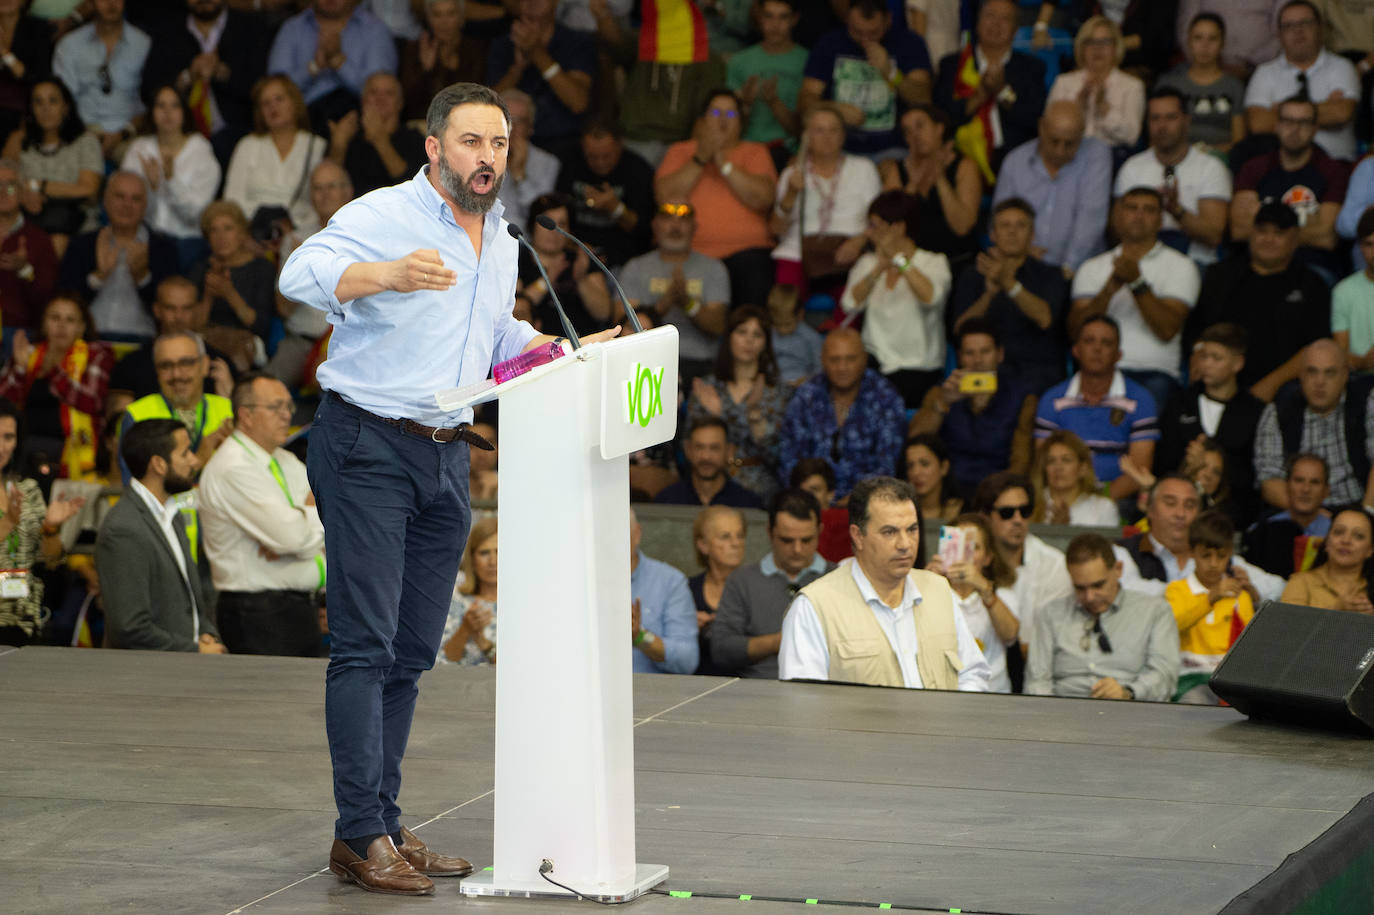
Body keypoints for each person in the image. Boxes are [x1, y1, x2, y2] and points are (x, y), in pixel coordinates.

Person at [277, 83, 619, 894]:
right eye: (471, 142)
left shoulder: (499, 239)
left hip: (446, 452)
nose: (487, 157)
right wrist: (385, 273)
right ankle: (360, 833)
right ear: (433, 147)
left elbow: (496, 336)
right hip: (366, 442)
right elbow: (301, 272)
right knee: (363, 646)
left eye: (498, 144)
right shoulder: (386, 212)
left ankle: (385, 820)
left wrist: (566, 348)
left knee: (410, 650)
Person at [778, 475, 991, 690]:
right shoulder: (814, 606)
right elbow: (803, 704)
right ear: (858, 536)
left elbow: (973, 673)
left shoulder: (939, 590)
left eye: (912, 529)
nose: (905, 544)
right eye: (890, 532)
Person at [198, 373, 325, 657]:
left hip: (300, 609)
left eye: (289, 407)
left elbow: (331, 516)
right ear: (246, 415)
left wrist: (302, 526)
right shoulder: (233, 467)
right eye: (275, 407)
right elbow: (292, 537)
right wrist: (305, 523)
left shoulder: (286, 460)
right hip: (258, 613)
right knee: (271, 701)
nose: (286, 415)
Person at [96, 417, 224, 652]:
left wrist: (206, 632)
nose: (195, 461)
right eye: (185, 453)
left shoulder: (171, 514)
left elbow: (191, 601)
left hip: (183, 669)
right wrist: (195, 649)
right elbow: (129, 628)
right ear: (159, 464)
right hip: (149, 679)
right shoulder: (124, 528)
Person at [1069, 186, 1199, 409]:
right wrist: (1110, 288)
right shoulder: (1092, 267)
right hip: (1096, 373)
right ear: (1118, 216)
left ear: (1160, 220)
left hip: (1153, 374)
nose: (1139, 215)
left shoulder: (1181, 266)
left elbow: (1167, 329)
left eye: (1149, 210)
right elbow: (1075, 332)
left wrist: (1137, 283)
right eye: (1131, 208)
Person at [1185, 202, 1331, 401]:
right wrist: (1198, 356)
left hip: (1283, 388)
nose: (1268, 240)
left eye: (1279, 233)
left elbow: (1314, 347)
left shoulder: (1312, 285)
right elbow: (1197, 330)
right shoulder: (1220, 275)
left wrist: (1268, 387)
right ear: (1251, 233)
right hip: (1220, 378)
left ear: (1295, 239)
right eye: (1262, 231)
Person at [656, 89, 779, 307]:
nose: (723, 120)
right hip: (689, 254)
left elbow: (763, 199)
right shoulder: (680, 151)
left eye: (731, 115)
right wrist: (701, 158)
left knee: (755, 273)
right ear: (702, 120)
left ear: (741, 123)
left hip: (747, 254)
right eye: (715, 113)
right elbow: (665, 198)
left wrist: (724, 163)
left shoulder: (755, 152)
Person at [1023, 533, 1180, 700]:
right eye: (1080, 588)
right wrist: (1049, 716)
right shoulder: (1051, 614)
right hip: (1063, 713)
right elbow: (1037, 681)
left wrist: (1128, 692)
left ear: (1118, 570)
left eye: (1098, 585)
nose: (1089, 597)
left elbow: (1165, 675)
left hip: (1130, 711)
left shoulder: (1154, 611)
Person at [839, 189, 951, 408]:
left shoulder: (934, 262)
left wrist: (899, 259)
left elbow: (931, 297)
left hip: (917, 367)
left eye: (874, 225)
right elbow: (850, 304)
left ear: (898, 227)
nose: (868, 233)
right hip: (874, 364)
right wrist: (879, 267)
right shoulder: (868, 263)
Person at [949, 197, 1068, 396]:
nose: (1012, 231)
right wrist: (988, 295)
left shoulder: (1051, 275)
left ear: (1032, 235)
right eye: (1005, 225)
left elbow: (1044, 318)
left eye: (1021, 225)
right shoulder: (973, 274)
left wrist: (1008, 282)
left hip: (1037, 374)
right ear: (993, 235)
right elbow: (961, 330)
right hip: (984, 373)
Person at [1034, 315, 1159, 501]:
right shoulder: (1052, 399)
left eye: (1106, 343)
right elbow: (1044, 462)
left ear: (1119, 354)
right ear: (1075, 350)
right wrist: (1074, 500)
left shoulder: (1140, 399)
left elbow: (1139, 469)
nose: (1097, 348)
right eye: (1089, 341)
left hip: (1118, 498)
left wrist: (1099, 503)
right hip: (1063, 495)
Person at [909, 320, 1035, 499]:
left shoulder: (1023, 399)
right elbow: (915, 441)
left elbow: (1021, 461)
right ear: (959, 357)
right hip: (947, 493)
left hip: (997, 492)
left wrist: (1000, 497)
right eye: (970, 353)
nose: (978, 361)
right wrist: (943, 403)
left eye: (985, 352)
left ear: (1000, 354)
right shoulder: (941, 392)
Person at [711, 488, 830, 678]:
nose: (797, 549)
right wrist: (778, 642)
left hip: (826, 692)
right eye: (787, 540)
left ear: (820, 531)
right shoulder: (742, 580)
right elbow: (722, 650)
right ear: (769, 532)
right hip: (758, 694)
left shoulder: (838, 579)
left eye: (806, 540)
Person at [777, 326, 906, 499]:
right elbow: (789, 459)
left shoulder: (886, 398)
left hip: (867, 503)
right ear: (822, 360)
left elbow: (887, 464)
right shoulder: (805, 396)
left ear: (864, 359)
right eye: (834, 360)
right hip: (809, 502)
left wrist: (857, 497)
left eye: (850, 359)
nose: (842, 367)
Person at [1232, 95, 1351, 281]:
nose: (1294, 129)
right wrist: (1305, 230)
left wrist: (1264, 233)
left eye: (1303, 123)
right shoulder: (1254, 168)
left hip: (1311, 267)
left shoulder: (1333, 171)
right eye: (1288, 121)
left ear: (1315, 129)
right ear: (1276, 125)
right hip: (1255, 265)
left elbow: (1326, 238)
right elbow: (1238, 230)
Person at [1113, 473, 1285, 602]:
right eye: (1170, 503)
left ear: (1199, 514)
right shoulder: (1123, 551)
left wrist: (1254, 594)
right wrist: (1212, 592)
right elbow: (1124, 589)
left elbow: (1278, 588)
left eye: (1190, 505)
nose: (1180, 514)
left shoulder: (1216, 555)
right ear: (1150, 509)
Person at [1157, 322, 1264, 522]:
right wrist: (1188, 466)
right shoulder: (1179, 404)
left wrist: (1213, 467)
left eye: (1216, 358)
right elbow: (1162, 462)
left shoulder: (1256, 412)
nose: (1206, 364)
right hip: (1178, 511)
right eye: (1204, 356)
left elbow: (1254, 476)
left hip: (1235, 517)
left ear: (1237, 364)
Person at [797, 0, 934, 158]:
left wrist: (891, 73)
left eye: (873, 32)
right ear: (848, 19)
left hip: (892, 149)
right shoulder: (829, 44)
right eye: (857, 31)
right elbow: (804, 103)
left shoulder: (909, 43)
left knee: (893, 171)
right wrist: (835, 109)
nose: (865, 39)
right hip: (839, 149)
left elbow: (923, 99)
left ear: (888, 20)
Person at [991, 100, 1111, 276]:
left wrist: (1068, 267)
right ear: (1041, 128)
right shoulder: (1015, 162)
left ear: (1082, 134)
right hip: (1023, 267)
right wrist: (1021, 253)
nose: (1060, 151)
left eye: (1070, 144)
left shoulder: (1096, 155)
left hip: (1079, 270)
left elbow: (1091, 218)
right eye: (1054, 141)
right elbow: (999, 219)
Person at [686, 305, 792, 503]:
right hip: (710, 483)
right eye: (742, 332)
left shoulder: (778, 392)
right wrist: (719, 415)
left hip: (760, 487)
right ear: (729, 337)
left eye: (757, 334)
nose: (749, 340)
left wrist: (754, 418)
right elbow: (690, 445)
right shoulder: (707, 388)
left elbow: (780, 458)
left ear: (766, 343)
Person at [1115, 87, 1232, 267]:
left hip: (1195, 262)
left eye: (1171, 117)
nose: (1162, 126)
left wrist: (1176, 210)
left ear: (1186, 121)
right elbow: (1117, 229)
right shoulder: (1132, 168)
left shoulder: (1211, 167)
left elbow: (1213, 236)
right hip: (1140, 260)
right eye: (1155, 118)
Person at [769, 103, 880, 292]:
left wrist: (859, 242)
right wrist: (791, 193)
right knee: (786, 306)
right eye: (819, 131)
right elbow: (776, 229)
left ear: (843, 136)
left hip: (851, 252)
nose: (827, 137)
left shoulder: (864, 168)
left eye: (834, 130)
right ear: (806, 137)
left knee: (846, 310)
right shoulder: (792, 174)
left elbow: (879, 219)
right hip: (798, 253)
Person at [139, 0, 266, 165]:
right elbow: (149, 91)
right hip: (182, 133)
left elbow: (261, 89)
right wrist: (187, 77)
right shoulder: (168, 31)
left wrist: (223, 74)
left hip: (238, 130)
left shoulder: (250, 27)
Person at [0, 291, 111, 479]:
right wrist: (19, 367)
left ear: (82, 327)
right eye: (55, 318)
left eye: (70, 320)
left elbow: (93, 401)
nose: (61, 326)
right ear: (44, 323)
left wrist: (55, 371)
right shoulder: (29, 352)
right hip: (23, 445)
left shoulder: (95, 354)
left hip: (73, 447)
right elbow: (3, 405)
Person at [1253, 338, 1374, 509]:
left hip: (1358, 508)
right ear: (1301, 375)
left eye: (1329, 373)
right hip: (1299, 513)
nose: (1320, 382)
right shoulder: (1279, 410)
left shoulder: (1367, 401)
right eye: (1312, 372)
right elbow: (1269, 480)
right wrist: (1312, 518)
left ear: (1345, 375)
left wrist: (1366, 514)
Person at [58, 171, 179, 341]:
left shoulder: (163, 248)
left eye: (135, 199)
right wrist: (98, 278)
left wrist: (143, 278)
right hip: (89, 340)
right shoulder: (81, 244)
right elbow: (63, 302)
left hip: (143, 342)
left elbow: (173, 310)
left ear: (146, 205)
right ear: (105, 201)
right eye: (119, 197)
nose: (126, 205)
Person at [618, 200, 729, 383]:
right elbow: (621, 323)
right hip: (645, 363)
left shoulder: (714, 269)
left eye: (684, 219)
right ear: (654, 225)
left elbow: (718, 327)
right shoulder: (636, 268)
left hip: (699, 364)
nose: (675, 226)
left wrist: (688, 303)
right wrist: (664, 303)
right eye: (667, 218)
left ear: (695, 227)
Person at [0, 396, 82, 645]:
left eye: (8, 437)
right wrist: (6, 525)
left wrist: (50, 530)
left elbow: (52, 562)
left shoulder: (29, 489)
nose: (1, 446)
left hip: (24, 620)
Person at [931, 0, 1045, 177]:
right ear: (977, 22)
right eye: (990, 16)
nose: (996, 24)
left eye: (1005, 19)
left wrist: (1002, 92)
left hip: (1014, 156)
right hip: (963, 156)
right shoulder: (953, 65)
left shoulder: (1031, 68)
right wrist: (979, 96)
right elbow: (942, 119)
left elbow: (1033, 120)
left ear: (1015, 30)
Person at [268, 160, 353, 388]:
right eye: (317, 188)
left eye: (331, 187)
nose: (324, 195)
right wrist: (302, 271)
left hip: (352, 342)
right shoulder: (296, 241)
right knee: (264, 391)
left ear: (348, 191)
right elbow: (283, 309)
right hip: (301, 341)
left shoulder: (369, 236)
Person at [974, 471, 1073, 664]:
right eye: (1007, 513)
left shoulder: (1054, 564)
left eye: (1025, 511)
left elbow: (1056, 637)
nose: (1018, 520)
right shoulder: (971, 562)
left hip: (1037, 666)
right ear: (984, 517)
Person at [120, 84, 222, 270]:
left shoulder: (201, 152)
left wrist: (170, 181)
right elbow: (129, 211)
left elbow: (194, 215)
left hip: (187, 240)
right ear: (151, 112)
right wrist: (150, 189)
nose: (167, 112)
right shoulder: (138, 149)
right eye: (161, 105)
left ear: (184, 111)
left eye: (175, 105)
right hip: (145, 237)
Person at [1244, 0, 1360, 162]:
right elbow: (1258, 124)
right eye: (1289, 26)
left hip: (1336, 161)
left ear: (1321, 28)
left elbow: (1341, 114)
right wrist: (1325, 107)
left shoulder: (1342, 67)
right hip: (1282, 167)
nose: (1298, 30)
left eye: (1305, 22)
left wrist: (1280, 112)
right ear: (1279, 34)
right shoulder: (1265, 72)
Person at [118, 330, 235, 483]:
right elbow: (136, 489)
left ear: (205, 365)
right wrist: (200, 457)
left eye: (186, 363)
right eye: (166, 366)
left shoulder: (231, 411)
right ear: (156, 371)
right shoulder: (137, 415)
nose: (177, 375)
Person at [878, 104, 982, 273]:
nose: (915, 135)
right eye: (907, 131)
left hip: (957, 261)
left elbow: (962, 227)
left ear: (939, 128)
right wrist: (912, 185)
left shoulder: (964, 166)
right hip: (909, 264)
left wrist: (940, 178)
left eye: (920, 126)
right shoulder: (898, 170)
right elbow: (888, 229)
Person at [1166, 510, 1256, 704]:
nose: (1214, 563)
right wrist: (1210, 598)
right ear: (1191, 552)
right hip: (1188, 677)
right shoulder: (1176, 590)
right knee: (1194, 703)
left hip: (1229, 680)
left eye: (1221, 556)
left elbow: (1250, 647)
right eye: (1206, 556)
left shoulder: (1240, 595)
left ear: (1231, 553)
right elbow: (1172, 626)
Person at [5, 78, 101, 256]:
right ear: (31, 109)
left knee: (57, 242)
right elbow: (5, 186)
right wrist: (22, 194)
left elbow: (88, 189)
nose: (46, 109)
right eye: (38, 102)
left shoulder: (86, 141)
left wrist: (39, 186)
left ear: (65, 107)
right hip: (25, 220)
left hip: (75, 224)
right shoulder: (18, 140)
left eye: (53, 101)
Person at [223, 75, 326, 239]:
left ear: (295, 103)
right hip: (251, 233)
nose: (273, 107)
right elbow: (232, 200)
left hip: (303, 233)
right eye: (266, 103)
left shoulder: (316, 146)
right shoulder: (248, 145)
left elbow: (323, 201)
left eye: (279, 99)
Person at [926, 512, 1020, 693]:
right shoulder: (929, 592)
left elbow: (1010, 635)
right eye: (957, 545)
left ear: (987, 557)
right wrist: (926, 586)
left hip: (994, 695)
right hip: (944, 692)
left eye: (973, 547)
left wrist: (985, 590)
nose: (963, 555)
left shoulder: (1003, 595)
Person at [266, 0, 398, 128]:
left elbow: (382, 92)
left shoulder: (375, 29)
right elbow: (275, 90)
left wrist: (340, 63)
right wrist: (314, 68)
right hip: (303, 121)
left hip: (362, 123)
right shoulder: (292, 29)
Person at [106, 276, 235, 401]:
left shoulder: (219, 366)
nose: (179, 317)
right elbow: (118, 419)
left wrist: (228, 396)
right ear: (157, 310)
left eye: (187, 308)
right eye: (170, 308)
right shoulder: (130, 365)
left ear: (198, 310)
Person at [487, 0, 594, 152]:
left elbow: (578, 102)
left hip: (563, 141)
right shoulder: (502, 44)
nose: (533, 2)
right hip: (509, 142)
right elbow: (489, 104)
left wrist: (537, 54)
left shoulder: (577, 42)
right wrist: (516, 70)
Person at [50, 0, 149, 158]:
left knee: (142, 165)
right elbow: (63, 101)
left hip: (128, 134)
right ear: (91, 3)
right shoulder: (69, 45)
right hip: (81, 131)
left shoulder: (143, 44)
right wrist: (85, 133)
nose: (111, 3)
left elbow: (150, 101)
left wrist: (122, 134)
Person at [555, 118, 654, 270]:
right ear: (583, 147)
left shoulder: (638, 170)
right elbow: (555, 216)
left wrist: (615, 208)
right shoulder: (570, 164)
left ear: (619, 146)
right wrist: (577, 247)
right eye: (592, 157)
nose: (600, 162)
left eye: (606, 156)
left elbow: (644, 230)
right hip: (573, 252)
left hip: (622, 259)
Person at [191, 200, 277, 371]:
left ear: (243, 233)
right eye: (214, 230)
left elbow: (261, 326)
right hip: (206, 340)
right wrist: (209, 295)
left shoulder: (262, 269)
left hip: (246, 343)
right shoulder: (200, 269)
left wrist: (229, 293)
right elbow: (192, 324)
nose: (221, 237)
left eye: (228, 228)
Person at [512, 192, 612, 336]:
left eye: (562, 224)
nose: (553, 230)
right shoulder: (517, 260)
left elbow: (604, 313)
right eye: (547, 222)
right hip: (536, 347)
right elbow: (516, 311)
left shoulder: (580, 259)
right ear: (532, 226)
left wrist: (581, 280)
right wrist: (547, 281)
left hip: (583, 343)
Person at [1046, 16, 1145, 152]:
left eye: (1105, 42)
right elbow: (1049, 129)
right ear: (1081, 47)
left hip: (1113, 156)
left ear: (1116, 46)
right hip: (1068, 154)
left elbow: (1132, 136)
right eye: (1090, 42)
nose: (1097, 48)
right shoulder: (1063, 82)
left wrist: (1104, 109)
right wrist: (1077, 109)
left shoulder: (1132, 86)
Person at [1155, 13, 1247, 155]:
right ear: (1188, 42)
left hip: (1221, 160)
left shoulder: (1234, 86)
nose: (1205, 46)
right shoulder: (1168, 83)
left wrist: (1208, 153)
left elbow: (1239, 141)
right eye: (1198, 38)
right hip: (1175, 158)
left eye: (1212, 39)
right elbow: (1156, 135)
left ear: (1223, 43)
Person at [326, 71, 427, 197]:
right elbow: (326, 186)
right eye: (373, 92)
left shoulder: (414, 139)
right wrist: (338, 146)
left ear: (400, 103)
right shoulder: (349, 136)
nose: (380, 98)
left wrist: (380, 140)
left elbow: (415, 186)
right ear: (362, 101)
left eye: (389, 93)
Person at [727, 0, 807, 150]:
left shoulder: (807, 61)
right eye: (768, 16)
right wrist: (745, 105)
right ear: (759, 18)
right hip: (746, 149)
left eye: (783, 17)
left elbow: (804, 130)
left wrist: (774, 102)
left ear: (794, 19)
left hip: (788, 151)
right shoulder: (739, 61)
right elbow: (726, 127)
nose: (775, 25)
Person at [629, 507, 700, 675]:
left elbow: (687, 660)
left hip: (649, 696)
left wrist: (640, 637)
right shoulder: (573, 582)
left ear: (637, 533)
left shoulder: (669, 581)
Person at [1242, 452, 1331, 578]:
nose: (1306, 489)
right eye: (1299, 480)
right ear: (1287, 485)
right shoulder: (1263, 530)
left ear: (1326, 490)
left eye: (1315, 482)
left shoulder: (1336, 533)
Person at [398, 0, 486, 123]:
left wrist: (451, 69)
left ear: (461, 18)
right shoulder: (415, 49)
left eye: (451, 14)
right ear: (429, 20)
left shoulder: (475, 50)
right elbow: (407, 101)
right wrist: (426, 70)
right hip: (423, 124)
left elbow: (476, 97)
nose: (444, 22)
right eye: (437, 15)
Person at [0, 157, 58, 343]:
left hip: (18, 331)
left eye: (10, 186)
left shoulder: (39, 240)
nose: (2, 192)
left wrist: (25, 270)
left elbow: (47, 302)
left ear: (23, 193)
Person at [655, 417, 765, 509]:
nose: (706, 456)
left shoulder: (748, 504)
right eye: (699, 447)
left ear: (729, 451)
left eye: (714, 448)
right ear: (688, 450)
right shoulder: (666, 501)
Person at [1280, 505, 1374, 612]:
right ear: (1327, 542)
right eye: (1338, 532)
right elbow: (1288, 627)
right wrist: (1337, 611)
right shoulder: (1301, 582)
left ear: (1370, 550)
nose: (1346, 540)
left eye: (1358, 536)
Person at [687, 504, 746, 674]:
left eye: (740, 535)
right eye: (725, 537)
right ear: (703, 545)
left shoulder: (756, 588)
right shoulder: (686, 591)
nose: (736, 543)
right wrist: (687, 627)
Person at [492, 89, 557, 232]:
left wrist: (520, 176)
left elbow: (542, 215)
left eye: (519, 121)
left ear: (530, 127)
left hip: (525, 244)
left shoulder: (548, 163)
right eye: (506, 120)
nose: (512, 128)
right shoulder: (480, 157)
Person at [438, 515, 498, 665]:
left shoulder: (526, 604)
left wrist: (484, 644)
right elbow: (443, 662)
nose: (493, 561)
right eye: (484, 553)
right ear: (472, 559)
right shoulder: (455, 600)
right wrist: (465, 629)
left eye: (499, 551)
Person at [1031, 429, 1119, 527]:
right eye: (1051, 461)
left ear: (1082, 468)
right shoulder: (1030, 505)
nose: (1058, 467)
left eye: (1066, 460)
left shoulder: (1103, 508)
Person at [1333, 207, 1374, 372]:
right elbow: (1340, 354)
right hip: (1359, 380)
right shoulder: (1343, 291)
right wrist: (1363, 363)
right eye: (1370, 244)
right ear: (1360, 247)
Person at [767, 282, 821, 385]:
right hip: (774, 386)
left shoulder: (812, 338)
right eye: (777, 324)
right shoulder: (768, 335)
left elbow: (819, 369)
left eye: (787, 324)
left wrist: (807, 380)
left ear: (800, 315)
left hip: (803, 385)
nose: (782, 330)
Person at [901, 432, 962, 523]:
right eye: (910, 466)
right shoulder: (899, 511)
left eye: (925, 464)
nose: (916, 472)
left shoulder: (962, 511)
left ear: (944, 467)